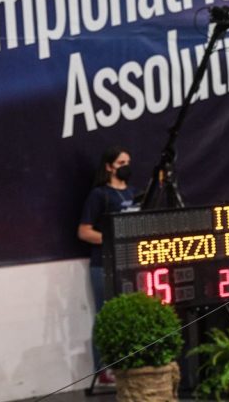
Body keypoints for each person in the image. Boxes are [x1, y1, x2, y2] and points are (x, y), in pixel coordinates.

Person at [78, 145, 139, 384]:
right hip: (103, 264)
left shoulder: (134, 193)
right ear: (109, 166)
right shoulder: (99, 195)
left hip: (130, 264)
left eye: (128, 163)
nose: (126, 167)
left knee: (130, 315)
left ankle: (129, 363)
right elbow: (84, 232)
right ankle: (103, 369)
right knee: (105, 315)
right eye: (121, 163)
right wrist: (113, 239)